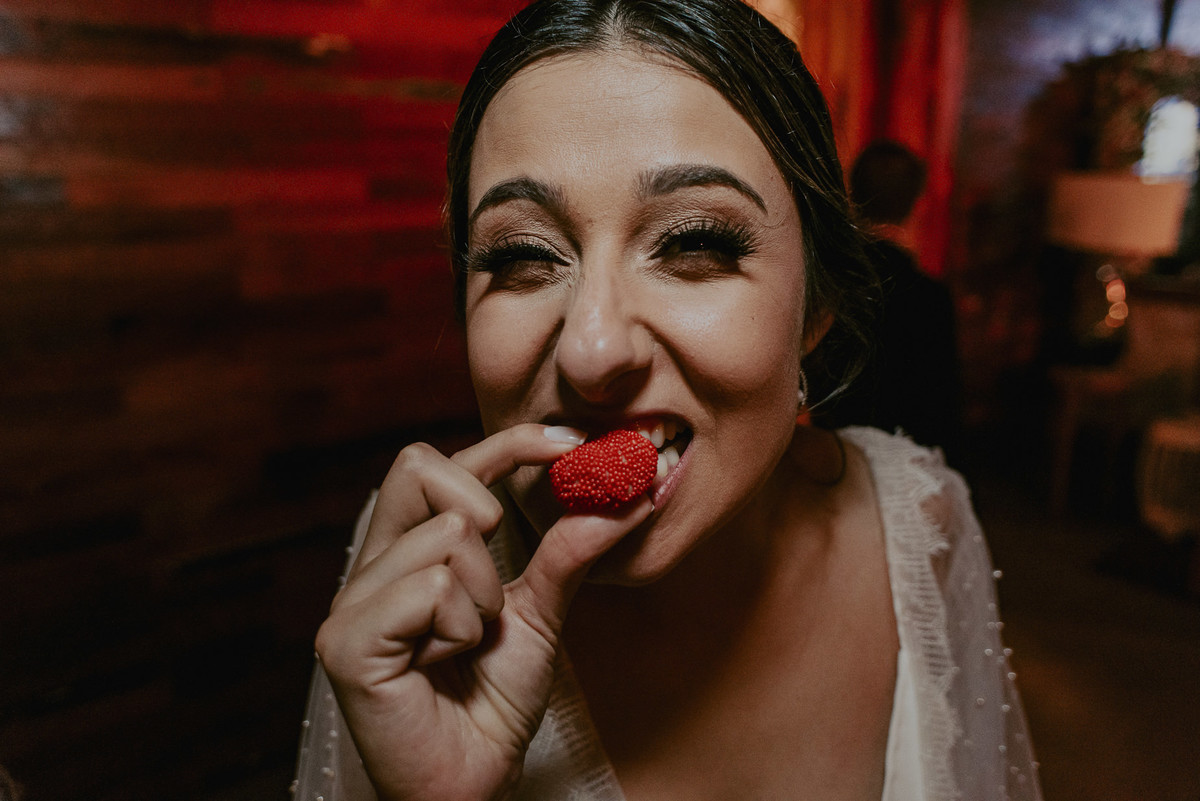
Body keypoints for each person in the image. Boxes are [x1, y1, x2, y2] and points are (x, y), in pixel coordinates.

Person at [293, 2, 1042, 799]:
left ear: (816, 304)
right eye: (521, 254)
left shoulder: (927, 523)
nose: (592, 348)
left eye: (694, 242)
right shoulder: (417, 582)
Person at [821, 140, 964, 464]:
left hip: (828, 459)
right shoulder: (929, 296)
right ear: (917, 203)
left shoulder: (829, 284)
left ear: (852, 196)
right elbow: (943, 404)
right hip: (905, 463)